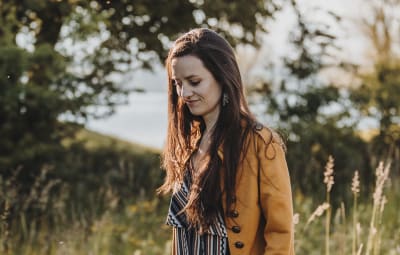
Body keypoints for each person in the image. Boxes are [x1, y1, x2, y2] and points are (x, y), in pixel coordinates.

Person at [158, 28, 295, 255]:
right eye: (178, 83)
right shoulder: (188, 144)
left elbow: (280, 233)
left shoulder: (261, 143)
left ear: (222, 76)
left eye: (194, 81)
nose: (184, 93)